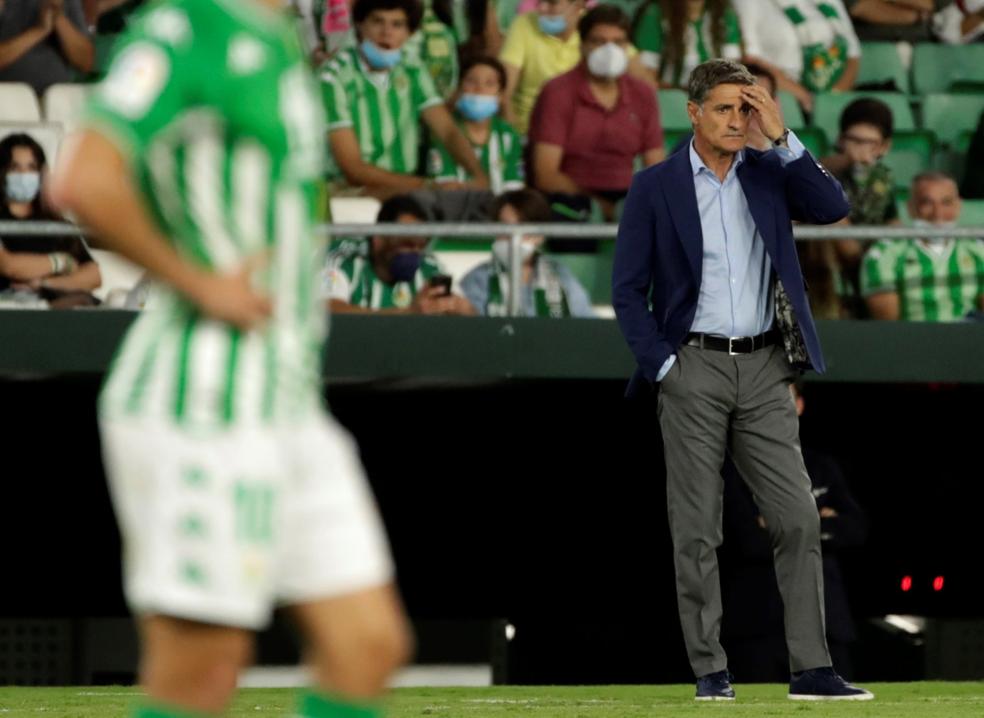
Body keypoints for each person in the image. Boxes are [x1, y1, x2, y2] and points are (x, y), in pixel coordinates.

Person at [51, 2, 412, 718]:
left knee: (366, 645)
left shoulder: (280, 39)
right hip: (201, 396)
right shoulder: (183, 29)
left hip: (285, 396)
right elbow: (84, 178)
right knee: (203, 670)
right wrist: (197, 282)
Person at [612, 58, 872, 701]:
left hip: (764, 367)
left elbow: (833, 207)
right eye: (726, 108)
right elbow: (626, 290)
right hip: (692, 363)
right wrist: (664, 365)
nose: (737, 119)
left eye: (746, 107)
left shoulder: (769, 172)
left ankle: (812, 669)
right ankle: (710, 671)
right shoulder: (654, 184)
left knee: (797, 518)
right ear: (693, 111)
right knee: (698, 526)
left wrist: (782, 138)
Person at [721, 381, 867, 682]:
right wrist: (818, 520)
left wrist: (780, 524)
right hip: (758, 626)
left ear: (799, 406)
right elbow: (748, 541)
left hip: (826, 625)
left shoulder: (823, 467)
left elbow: (855, 530)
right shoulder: (733, 470)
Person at [320, 0, 488, 198]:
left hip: (405, 188)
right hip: (347, 192)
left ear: (410, 33)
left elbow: (448, 131)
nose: (387, 32)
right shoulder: (333, 76)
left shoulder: (412, 67)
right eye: (377, 22)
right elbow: (353, 169)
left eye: (397, 25)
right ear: (359, 25)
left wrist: (479, 177)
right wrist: (426, 186)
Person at [528, 4, 664, 222]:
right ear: (582, 45)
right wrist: (600, 206)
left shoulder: (643, 94)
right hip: (569, 197)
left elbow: (656, 167)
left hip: (626, 196)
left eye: (618, 42)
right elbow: (546, 174)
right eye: (598, 41)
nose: (609, 50)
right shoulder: (558, 92)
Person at [862, 172, 984, 321]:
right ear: (910, 208)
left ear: (958, 206)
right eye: (927, 203)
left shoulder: (978, 250)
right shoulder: (884, 253)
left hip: (969, 339)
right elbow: (888, 326)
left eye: (946, 203)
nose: (937, 214)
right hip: (911, 340)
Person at [324, 194, 476, 314]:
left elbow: (469, 313)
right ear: (379, 238)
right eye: (406, 243)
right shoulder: (343, 257)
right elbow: (329, 310)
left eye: (420, 245)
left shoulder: (429, 266)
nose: (415, 252)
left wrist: (462, 310)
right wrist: (407, 315)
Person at [0, 132, 100, 307]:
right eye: (15, 168)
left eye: (31, 167)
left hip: (55, 313)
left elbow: (93, 276)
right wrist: (62, 262)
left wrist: (45, 284)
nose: (24, 175)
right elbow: (8, 265)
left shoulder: (58, 225)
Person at [821, 97, 900, 317]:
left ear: (884, 146)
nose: (861, 149)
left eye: (869, 143)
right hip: (838, 255)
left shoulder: (884, 177)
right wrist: (847, 160)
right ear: (841, 139)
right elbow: (817, 168)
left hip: (875, 253)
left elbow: (891, 217)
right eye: (854, 140)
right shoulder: (830, 168)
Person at [460, 188, 594, 316]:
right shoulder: (478, 279)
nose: (513, 236)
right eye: (504, 227)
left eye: (521, 227)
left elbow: (588, 326)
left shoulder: (560, 276)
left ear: (540, 235)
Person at [732, 0, 860, 112]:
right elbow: (751, 60)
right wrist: (804, 97)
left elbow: (852, 53)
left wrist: (833, 98)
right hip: (785, 95)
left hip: (831, 90)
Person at [426, 55, 524, 195]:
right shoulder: (444, 132)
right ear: (459, 89)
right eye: (471, 81)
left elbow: (514, 187)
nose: (479, 89)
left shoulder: (509, 135)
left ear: (501, 96)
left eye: (489, 84)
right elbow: (444, 188)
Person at [632, 0, 742, 88]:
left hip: (715, 96)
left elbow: (732, 68)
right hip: (671, 94)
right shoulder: (655, 13)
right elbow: (646, 72)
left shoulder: (724, 12)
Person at [0, 0, 94, 96]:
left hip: (58, 98)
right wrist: (39, 31)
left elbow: (86, 63)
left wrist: (58, 17)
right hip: (10, 98)